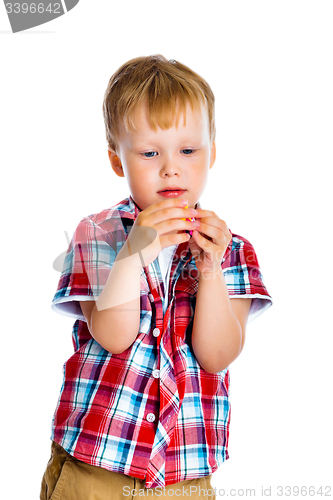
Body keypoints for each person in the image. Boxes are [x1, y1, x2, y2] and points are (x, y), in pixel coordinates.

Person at [40, 55, 272, 500]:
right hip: (97, 467)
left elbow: (218, 354)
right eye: (149, 153)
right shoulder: (99, 234)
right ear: (117, 160)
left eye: (189, 150)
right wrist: (132, 258)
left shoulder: (232, 249)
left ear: (213, 152)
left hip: (184, 476)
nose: (171, 168)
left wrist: (211, 271)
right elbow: (112, 334)